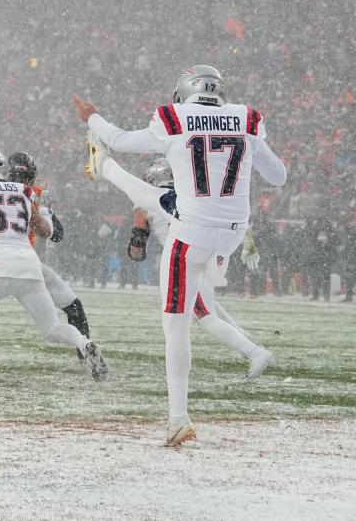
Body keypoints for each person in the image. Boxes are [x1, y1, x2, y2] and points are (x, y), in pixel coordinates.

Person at [76, 63, 287, 446]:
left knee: (176, 327)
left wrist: (92, 117)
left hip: (192, 234)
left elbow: (121, 138)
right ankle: (104, 168)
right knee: (164, 201)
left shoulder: (175, 118)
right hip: (232, 233)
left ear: (184, 92)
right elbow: (279, 177)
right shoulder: (247, 118)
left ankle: (178, 418)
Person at [90, 152, 273, 378]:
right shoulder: (191, 196)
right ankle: (244, 338)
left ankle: (254, 351)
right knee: (208, 303)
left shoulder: (148, 201)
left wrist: (135, 245)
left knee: (206, 317)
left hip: (183, 259)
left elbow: (137, 246)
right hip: (205, 251)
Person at [0, 149, 107, 382]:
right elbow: (47, 231)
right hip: (29, 265)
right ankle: (83, 342)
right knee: (51, 328)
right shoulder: (25, 193)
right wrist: (46, 212)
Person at [5, 151, 95, 346]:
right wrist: (45, 210)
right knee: (71, 309)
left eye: (23, 177)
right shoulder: (33, 195)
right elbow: (55, 234)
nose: (21, 181)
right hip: (26, 264)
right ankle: (85, 349)